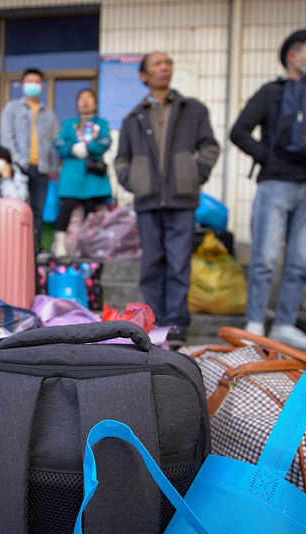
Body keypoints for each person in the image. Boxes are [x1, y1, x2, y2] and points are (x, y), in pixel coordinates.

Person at [229, 27, 306, 350]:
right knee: (265, 258)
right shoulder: (272, 92)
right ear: (294, 55)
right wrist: (268, 159)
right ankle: (255, 323)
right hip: (275, 185)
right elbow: (240, 131)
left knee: (301, 261)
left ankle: (285, 324)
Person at [114, 52, 221, 344]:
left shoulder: (193, 109)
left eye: (168, 63)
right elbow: (121, 159)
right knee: (152, 265)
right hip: (148, 201)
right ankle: (153, 324)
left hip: (182, 200)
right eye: (157, 65)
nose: (165, 68)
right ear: (144, 76)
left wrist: (195, 173)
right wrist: (133, 180)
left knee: (178, 265)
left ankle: (175, 328)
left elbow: (210, 146)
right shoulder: (133, 118)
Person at [0, 68, 60, 250]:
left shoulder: (49, 114)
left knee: (38, 211)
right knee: (17, 208)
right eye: (29, 81)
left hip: (42, 168)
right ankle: (15, 246)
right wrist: (15, 161)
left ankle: (35, 247)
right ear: (22, 85)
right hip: (19, 166)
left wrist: (53, 168)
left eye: (36, 81)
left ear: (41, 86)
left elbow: (55, 142)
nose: (32, 85)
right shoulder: (12, 108)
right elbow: (6, 136)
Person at [52, 88, 112, 257]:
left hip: (92, 171)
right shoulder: (68, 123)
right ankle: (61, 246)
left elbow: (106, 141)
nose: (85, 102)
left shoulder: (102, 123)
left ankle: (89, 246)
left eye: (89, 98)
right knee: (67, 206)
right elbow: (58, 141)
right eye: (81, 98)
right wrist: (72, 148)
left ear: (95, 103)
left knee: (90, 210)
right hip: (72, 170)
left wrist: (90, 147)